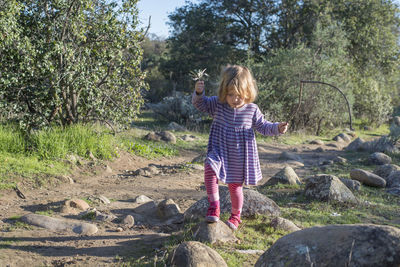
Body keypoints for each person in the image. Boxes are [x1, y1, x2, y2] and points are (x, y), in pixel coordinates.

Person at [192, 65, 288, 230]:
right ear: (224, 91)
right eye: (230, 95)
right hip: (219, 149)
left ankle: (236, 216)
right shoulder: (218, 104)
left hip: (239, 155)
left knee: (235, 187)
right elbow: (200, 105)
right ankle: (214, 206)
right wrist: (199, 93)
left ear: (248, 93)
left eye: (239, 96)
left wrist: (277, 127)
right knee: (209, 167)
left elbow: (263, 127)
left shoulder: (252, 110)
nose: (235, 99)